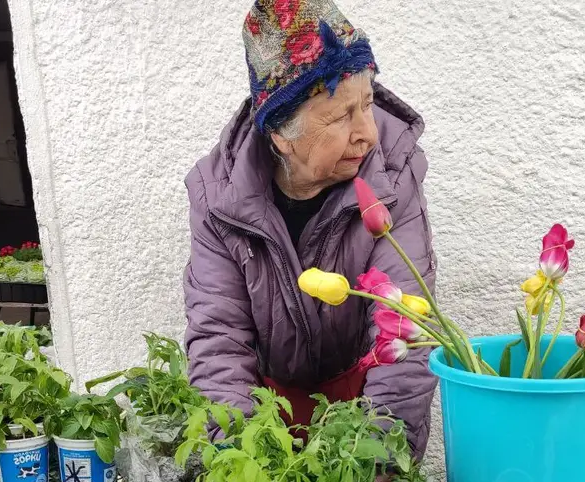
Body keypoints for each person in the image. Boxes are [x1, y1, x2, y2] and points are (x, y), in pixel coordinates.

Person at [183, 0, 437, 456]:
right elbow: (219, 341)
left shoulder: (391, 177)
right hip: (263, 413)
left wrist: (377, 465)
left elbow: (404, 330)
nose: (369, 133)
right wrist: (245, 464)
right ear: (281, 133)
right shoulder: (219, 197)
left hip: (365, 409)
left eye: (368, 103)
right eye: (342, 116)